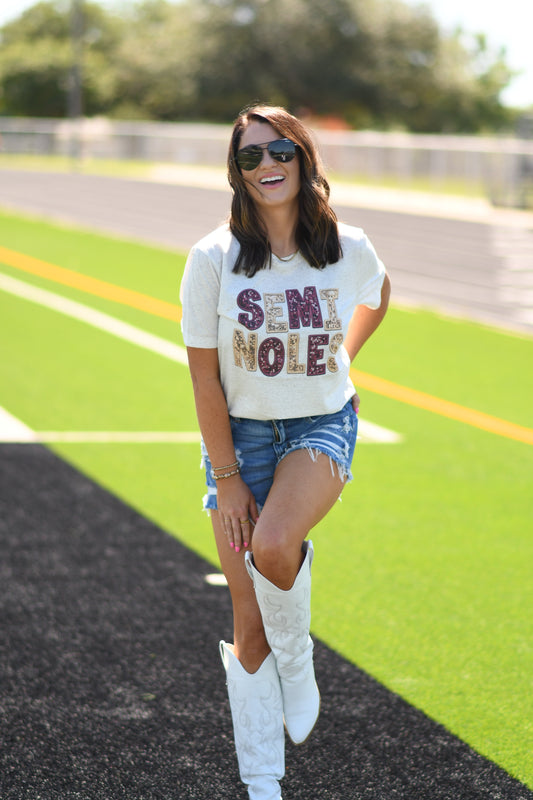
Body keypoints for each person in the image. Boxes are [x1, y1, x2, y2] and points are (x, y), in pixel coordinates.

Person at [180, 104, 390, 800]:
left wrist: (344, 361)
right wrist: (227, 477)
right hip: (240, 439)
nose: (266, 166)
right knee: (247, 624)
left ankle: (298, 663)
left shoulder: (346, 244)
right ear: (236, 172)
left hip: (318, 425)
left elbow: (378, 295)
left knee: (273, 545)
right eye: (250, 157)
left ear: (302, 157)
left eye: (279, 153)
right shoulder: (213, 257)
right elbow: (204, 377)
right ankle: (261, 778)